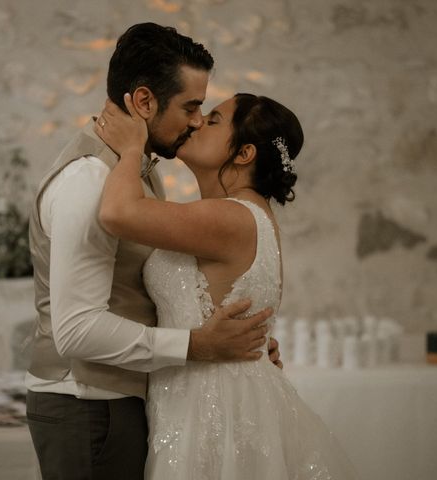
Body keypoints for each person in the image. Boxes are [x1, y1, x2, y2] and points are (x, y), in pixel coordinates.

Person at [25, 23, 281, 480]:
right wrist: (197, 345)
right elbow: (76, 330)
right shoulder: (90, 180)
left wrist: (244, 347)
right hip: (89, 406)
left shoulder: (134, 168)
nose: (198, 120)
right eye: (192, 106)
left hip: (123, 404)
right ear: (144, 102)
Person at [95, 92, 359, 479]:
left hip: (211, 412)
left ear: (245, 153)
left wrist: (131, 148)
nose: (199, 122)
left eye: (214, 119)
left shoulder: (231, 217)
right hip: (213, 396)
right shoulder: (245, 215)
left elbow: (118, 212)